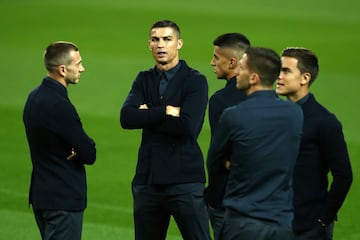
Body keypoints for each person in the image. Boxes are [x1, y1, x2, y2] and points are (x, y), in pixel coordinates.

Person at [120, 20, 211, 240]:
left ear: (179, 43)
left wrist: (147, 113)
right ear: (149, 44)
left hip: (185, 181)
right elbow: (127, 118)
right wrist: (165, 111)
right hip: (147, 180)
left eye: (167, 39)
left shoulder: (195, 81)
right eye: (155, 39)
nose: (160, 44)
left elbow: (188, 126)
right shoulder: (143, 78)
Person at [207, 47, 303, 240]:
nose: (238, 74)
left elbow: (214, 162)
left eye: (242, 69)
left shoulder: (233, 115)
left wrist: (232, 163)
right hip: (282, 222)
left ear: (253, 78)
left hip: (243, 222)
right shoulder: (295, 113)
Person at [276, 47, 353, 240]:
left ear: (305, 78)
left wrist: (323, 220)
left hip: (308, 227)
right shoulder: (276, 115)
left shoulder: (324, 121)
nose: (278, 76)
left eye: (286, 71)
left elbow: (344, 176)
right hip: (275, 221)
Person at [23, 41, 96, 240]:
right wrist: (80, 148)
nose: (83, 68)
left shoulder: (34, 97)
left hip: (42, 195)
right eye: (78, 63)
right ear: (63, 69)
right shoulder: (59, 105)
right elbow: (89, 153)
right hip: (62, 200)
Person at [204, 32, 250, 239]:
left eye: (216, 57)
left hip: (226, 200)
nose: (212, 62)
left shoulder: (220, 101)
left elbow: (217, 155)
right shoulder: (266, 97)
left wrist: (210, 196)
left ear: (232, 62)